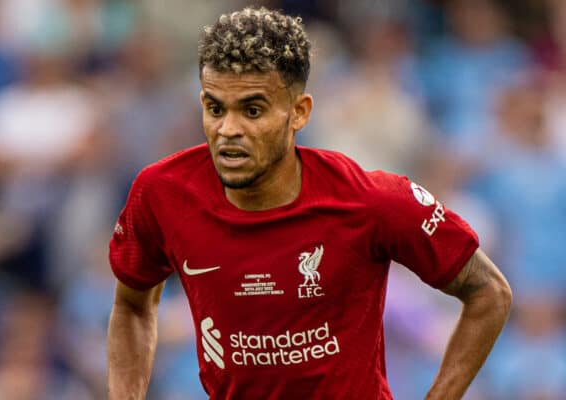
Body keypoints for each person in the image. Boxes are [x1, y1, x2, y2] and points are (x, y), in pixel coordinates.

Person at [107, 7, 512, 400]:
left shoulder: (371, 202)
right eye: (215, 108)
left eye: (252, 110)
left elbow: (489, 292)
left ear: (299, 112)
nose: (228, 130)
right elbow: (132, 306)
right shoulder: (161, 193)